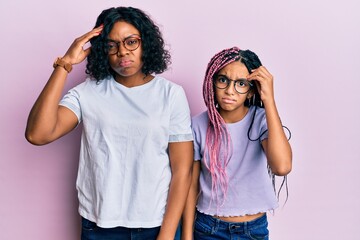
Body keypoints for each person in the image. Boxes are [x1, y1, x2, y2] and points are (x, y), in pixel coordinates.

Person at [25, 6, 194, 240]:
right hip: (99, 226)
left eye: (131, 42)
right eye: (111, 45)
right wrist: (65, 64)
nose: (122, 52)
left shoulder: (171, 95)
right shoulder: (87, 93)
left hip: (156, 224)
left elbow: (182, 170)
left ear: (146, 43)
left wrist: (166, 235)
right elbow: (37, 134)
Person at [181, 47, 292, 240]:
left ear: (251, 91)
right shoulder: (198, 125)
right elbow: (191, 185)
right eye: (223, 80)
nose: (230, 91)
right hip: (208, 228)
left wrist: (269, 100)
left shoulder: (261, 121)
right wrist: (187, 235)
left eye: (241, 84)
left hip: (253, 230)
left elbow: (282, 167)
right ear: (211, 82)